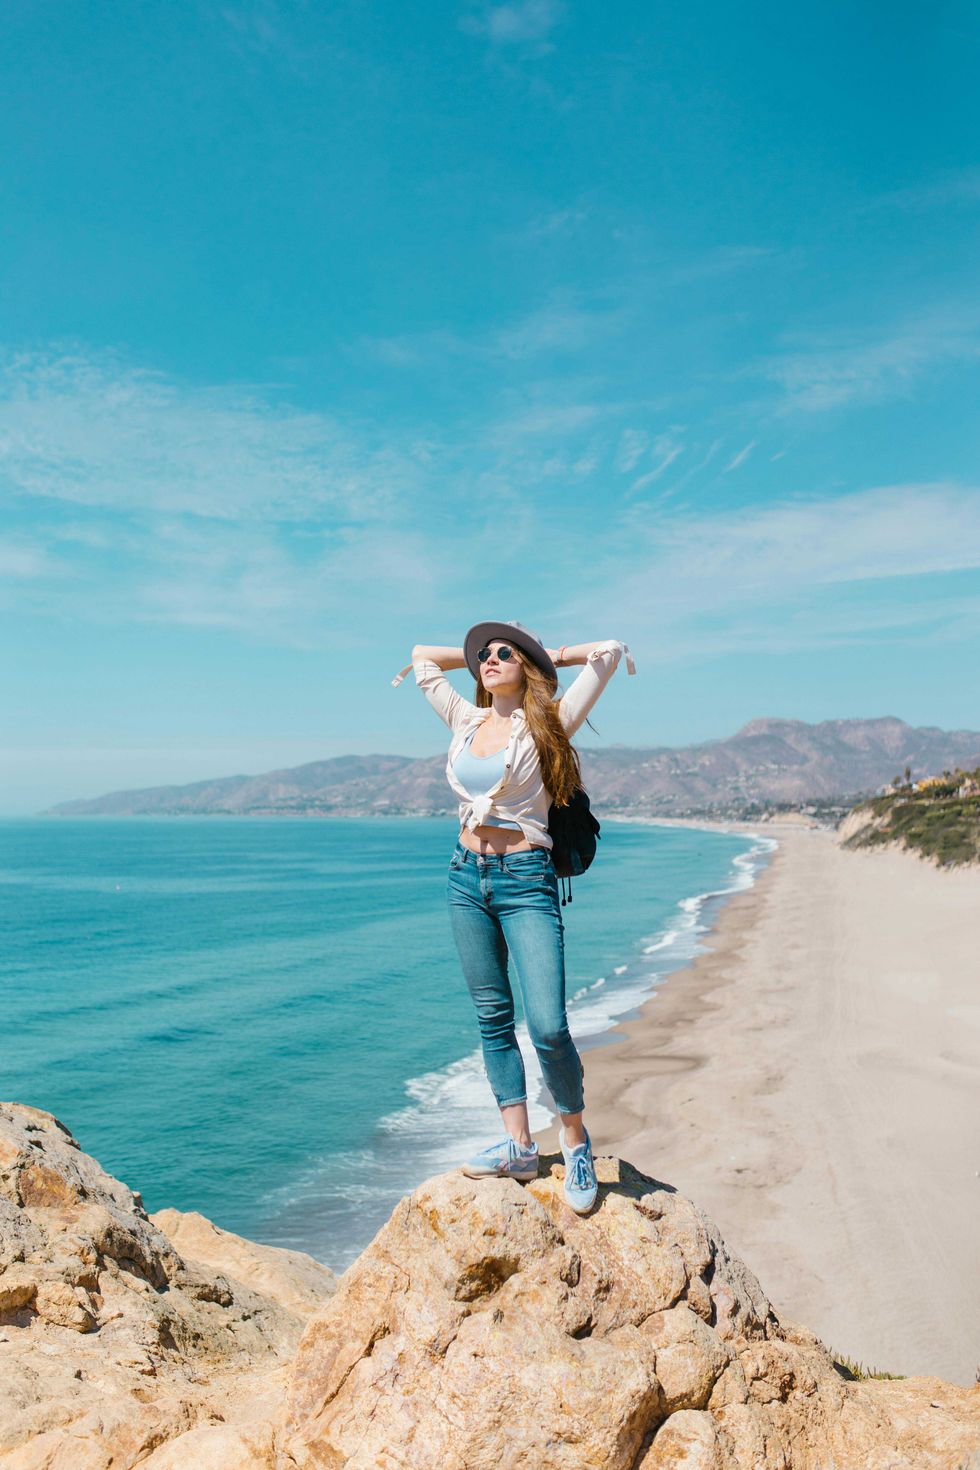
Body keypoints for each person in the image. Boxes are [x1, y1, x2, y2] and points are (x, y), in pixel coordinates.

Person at [392, 621, 635, 1214]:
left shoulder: (548, 725)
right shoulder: (466, 719)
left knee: (548, 1025)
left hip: (526, 881)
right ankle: (520, 1145)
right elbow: (422, 658)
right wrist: (477, 654)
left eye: (505, 654)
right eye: (486, 655)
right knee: (492, 1016)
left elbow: (606, 654)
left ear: (527, 667)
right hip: (463, 877)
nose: (491, 660)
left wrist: (548, 654)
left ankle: (573, 1138)